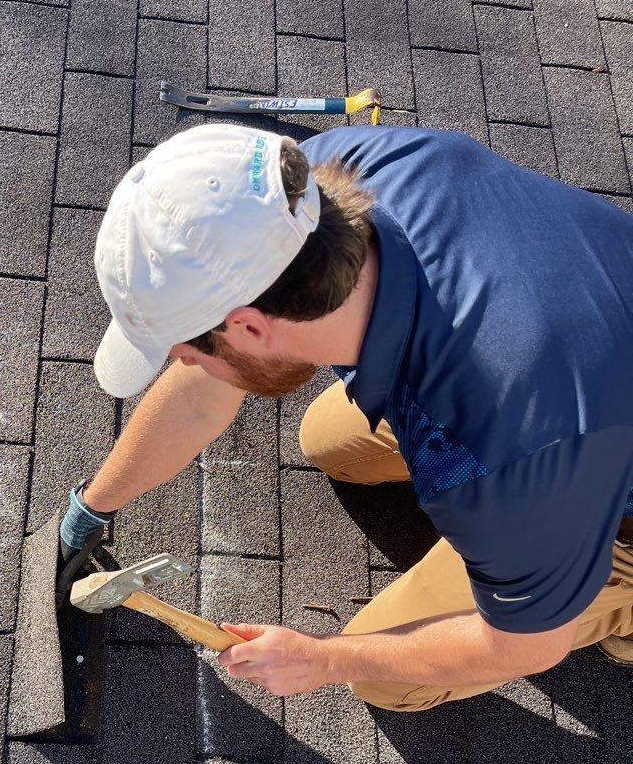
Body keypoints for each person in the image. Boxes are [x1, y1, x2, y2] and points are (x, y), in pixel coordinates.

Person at [58, 123, 633, 711]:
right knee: (330, 442)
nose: (179, 363)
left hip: (563, 441)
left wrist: (324, 658)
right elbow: (203, 387)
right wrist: (94, 504)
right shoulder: (314, 181)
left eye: (184, 348)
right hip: (572, 373)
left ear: (251, 327)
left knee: (386, 680)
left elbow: (524, 647)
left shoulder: (492, 450)